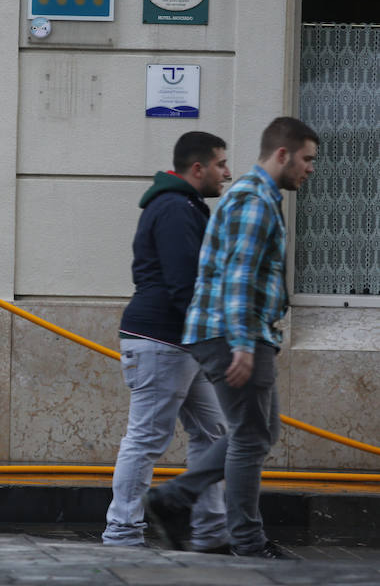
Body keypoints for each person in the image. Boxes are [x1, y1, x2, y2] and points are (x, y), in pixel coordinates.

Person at [144, 117, 319, 559]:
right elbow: (237, 280)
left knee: (259, 431)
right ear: (282, 154)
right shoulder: (255, 200)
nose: (310, 169)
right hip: (233, 333)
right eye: (307, 158)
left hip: (234, 331)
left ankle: (176, 498)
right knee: (248, 436)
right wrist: (242, 343)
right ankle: (245, 540)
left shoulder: (253, 197)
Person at [101, 132, 231, 552]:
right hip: (161, 340)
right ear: (198, 168)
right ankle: (122, 533)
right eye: (221, 164)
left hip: (179, 342)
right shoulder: (175, 207)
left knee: (212, 433)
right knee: (145, 439)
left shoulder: (184, 205)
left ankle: (212, 532)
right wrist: (215, 342)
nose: (227, 172)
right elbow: (183, 285)